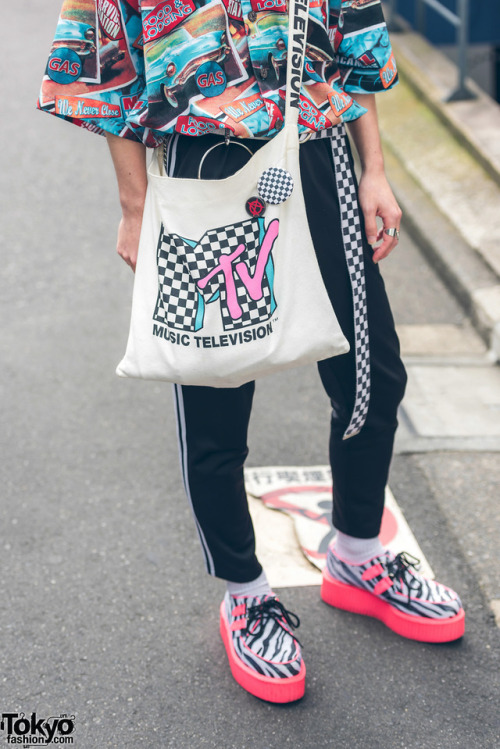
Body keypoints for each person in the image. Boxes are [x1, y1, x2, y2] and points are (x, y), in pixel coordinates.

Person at [38, 0, 465, 704]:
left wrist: (376, 168)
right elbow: (100, 63)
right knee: (214, 383)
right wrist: (137, 206)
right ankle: (246, 590)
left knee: (371, 374)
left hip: (319, 149)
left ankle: (358, 554)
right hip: (200, 162)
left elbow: (352, 36)